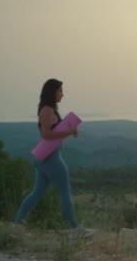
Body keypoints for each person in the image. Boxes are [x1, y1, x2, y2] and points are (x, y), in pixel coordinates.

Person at [13, 78, 94, 239]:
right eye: (60, 91)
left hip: (45, 158)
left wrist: (69, 129)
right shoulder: (48, 110)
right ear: (52, 92)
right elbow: (47, 134)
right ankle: (75, 229)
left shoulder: (48, 109)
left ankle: (15, 225)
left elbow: (52, 131)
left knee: (36, 193)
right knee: (65, 192)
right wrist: (69, 132)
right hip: (51, 158)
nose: (62, 94)